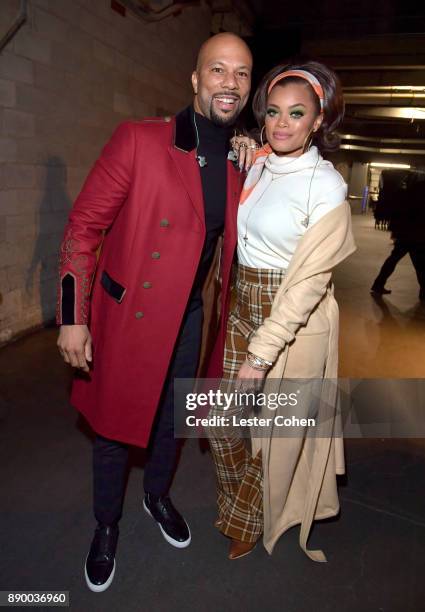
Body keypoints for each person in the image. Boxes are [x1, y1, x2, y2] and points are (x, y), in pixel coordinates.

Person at [56, 32, 255, 592]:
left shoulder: (244, 163)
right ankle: (105, 526)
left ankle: (157, 497)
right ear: (195, 79)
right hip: (132, 315)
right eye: (217, 71)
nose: (229, 83)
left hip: (194, 314)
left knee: (174, 417)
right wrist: (74, 316)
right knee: (116, 428)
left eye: (241, 74)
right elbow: (83, 227)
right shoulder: (140, 139)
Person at [207, 61, 356, 561]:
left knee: (273, 430)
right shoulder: (260, 161)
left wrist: (262, 354)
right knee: (221, 420)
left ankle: (247, 518)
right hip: (242, 302)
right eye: (273, 112)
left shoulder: (327, 186)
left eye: (297, 114)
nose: (283, 123)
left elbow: (311, 282)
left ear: (318, 121)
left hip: (293, 317)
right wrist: (240, 145)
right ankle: (239, 506)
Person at [371, 173, 425, 300]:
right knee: (421, 265)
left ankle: (378, 284)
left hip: (404, 234)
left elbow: (398, 214)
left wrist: (395, 232)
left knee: (393, 260)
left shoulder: (405, 193)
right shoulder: (420, 194)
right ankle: (424, 292)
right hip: (416, 236)